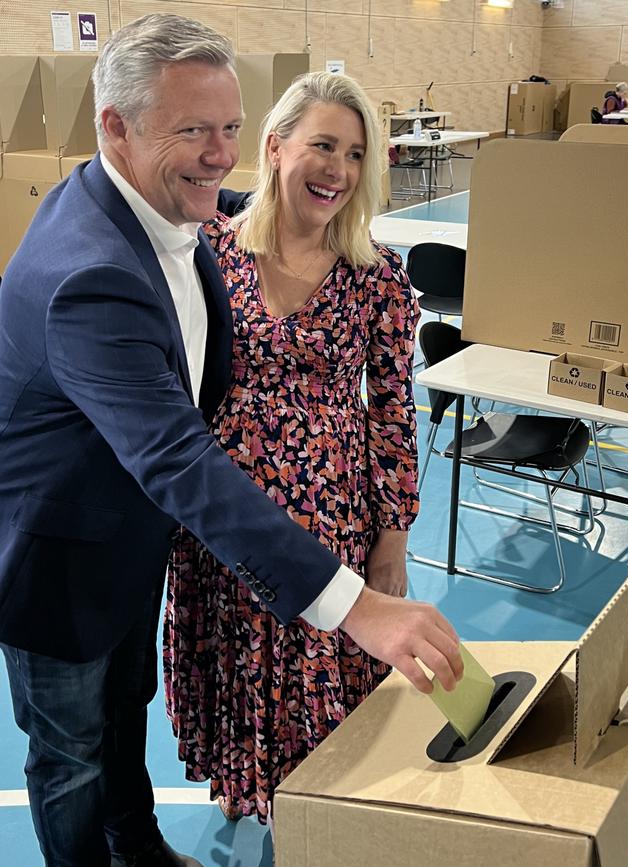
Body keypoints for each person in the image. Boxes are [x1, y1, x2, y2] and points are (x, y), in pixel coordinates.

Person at [0, 14, 463, 867]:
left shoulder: (176, 213)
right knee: (68, 753)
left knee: (122, 712)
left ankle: (138, 846)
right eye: (192, 131)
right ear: (116, 125)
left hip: (152, 533)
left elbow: (284, 218)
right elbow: (179, 460)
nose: (219, 154)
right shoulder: (92, 270)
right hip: (64, 554)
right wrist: (358, 605)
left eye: (229, 130)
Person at [164, 71, 420, 825]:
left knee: (318, 680)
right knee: (242, 672)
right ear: (275, 148)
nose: (337, 169)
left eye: (353, 153)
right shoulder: (204, 253)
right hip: (223, 517)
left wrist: (393, 534)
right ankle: (257, 800)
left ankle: (318, 821)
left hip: (330, 523)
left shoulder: (376, 277)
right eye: (322, 145)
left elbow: (393, 412)